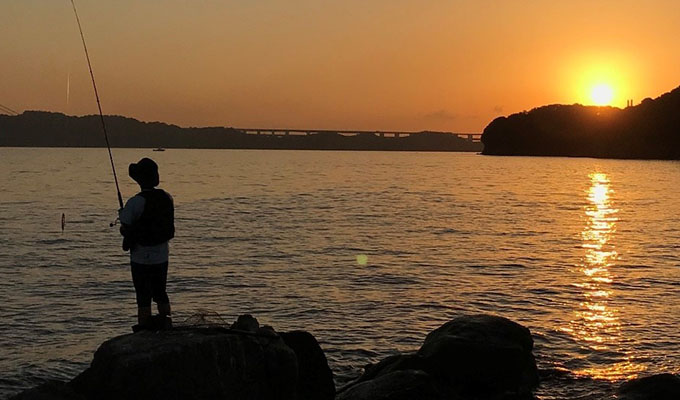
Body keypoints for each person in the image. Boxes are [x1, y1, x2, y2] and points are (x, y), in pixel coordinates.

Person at [119, 157, 175, 331]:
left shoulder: (135, 202)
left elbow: (126, 223)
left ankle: (144, 328)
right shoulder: (167, 197)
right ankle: (166, 322)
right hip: (162, 256)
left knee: (143, 295)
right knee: (160, 292)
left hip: (140, 258)